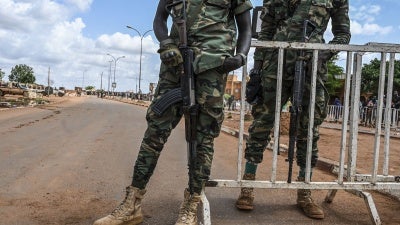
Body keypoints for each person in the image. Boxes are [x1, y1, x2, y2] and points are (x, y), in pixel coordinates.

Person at [93, 0, 252, 225]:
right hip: (175, 66)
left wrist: (242, 55)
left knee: (203, 139)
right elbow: (160, 18)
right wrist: (166, 43)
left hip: (214, 68)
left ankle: (190, 206)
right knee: (154, 133)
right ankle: (132, 203)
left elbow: (245, 25)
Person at [236, 0, 350, 220]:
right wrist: (257, 71)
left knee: (309, 130)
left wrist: (324, 54)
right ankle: (247, 185)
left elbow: (343, 34)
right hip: (274, 66)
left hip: (312, 68)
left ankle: (305, 191)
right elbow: (265, 33)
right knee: (261, 124)